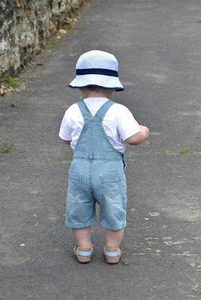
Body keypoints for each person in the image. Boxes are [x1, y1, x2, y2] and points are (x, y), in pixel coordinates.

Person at [59, 50, 149, 264]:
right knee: (113, 208)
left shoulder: (72, 110)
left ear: (80, 85)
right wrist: (144, 131)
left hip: (79, 169)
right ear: (112, 86)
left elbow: (65, 138)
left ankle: (83, 249)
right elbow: (133, 138)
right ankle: (112, 250)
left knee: (79, 207)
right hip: (109, 172)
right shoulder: (119, 111)